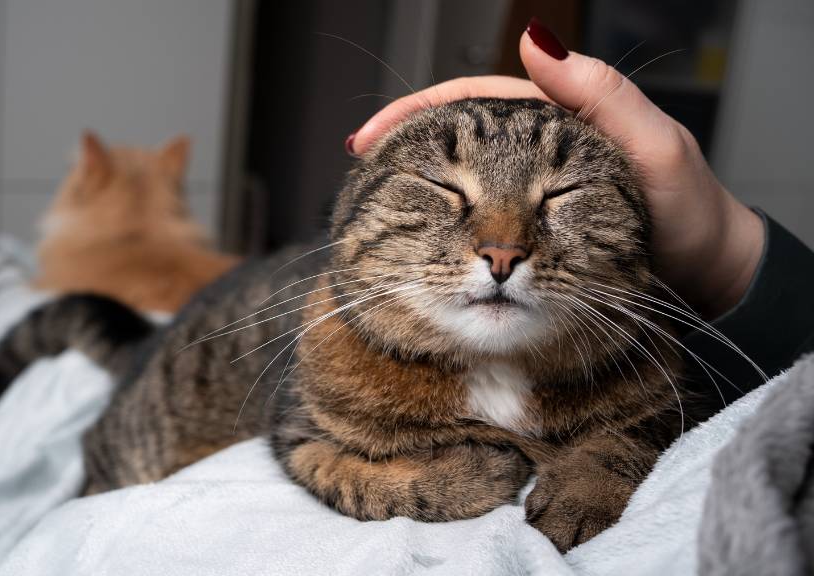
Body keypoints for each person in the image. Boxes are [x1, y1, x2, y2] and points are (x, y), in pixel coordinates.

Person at [346, 18, 814, 412]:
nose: (503, 248)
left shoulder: (646, 380)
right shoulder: (330, 354)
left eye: (566, 192)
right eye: (443, 188)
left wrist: (724, 248)